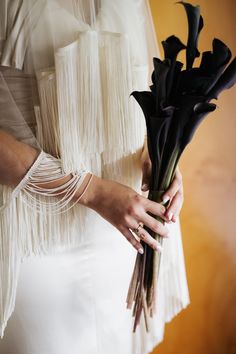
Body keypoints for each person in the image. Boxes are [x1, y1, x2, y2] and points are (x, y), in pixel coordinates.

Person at [0, 1, 189, 353]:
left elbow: (138, 93)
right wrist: (92, 192)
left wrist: (160, 159)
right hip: (35, 240)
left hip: (122, 228)